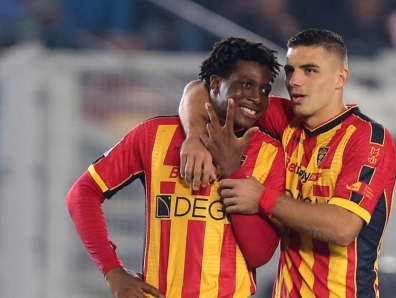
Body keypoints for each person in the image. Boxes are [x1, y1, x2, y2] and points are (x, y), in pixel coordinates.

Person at [178, 28, 396, 297]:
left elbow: (343, 228)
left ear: (340, 78)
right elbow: (200, 89)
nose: (294, 80)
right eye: (291, 70)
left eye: (309, 70)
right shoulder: (287, 122)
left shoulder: (368, 138)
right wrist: (194, 136)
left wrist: (262, 198)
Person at [66, 37, 285, 298]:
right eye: (247, 84)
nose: (256, 98)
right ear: (215, 84)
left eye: (264, 89)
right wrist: (112, 270)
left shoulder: (270, 154)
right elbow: (82, 192)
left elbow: (259, 254)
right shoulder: (154, 135)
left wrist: (232, 171)